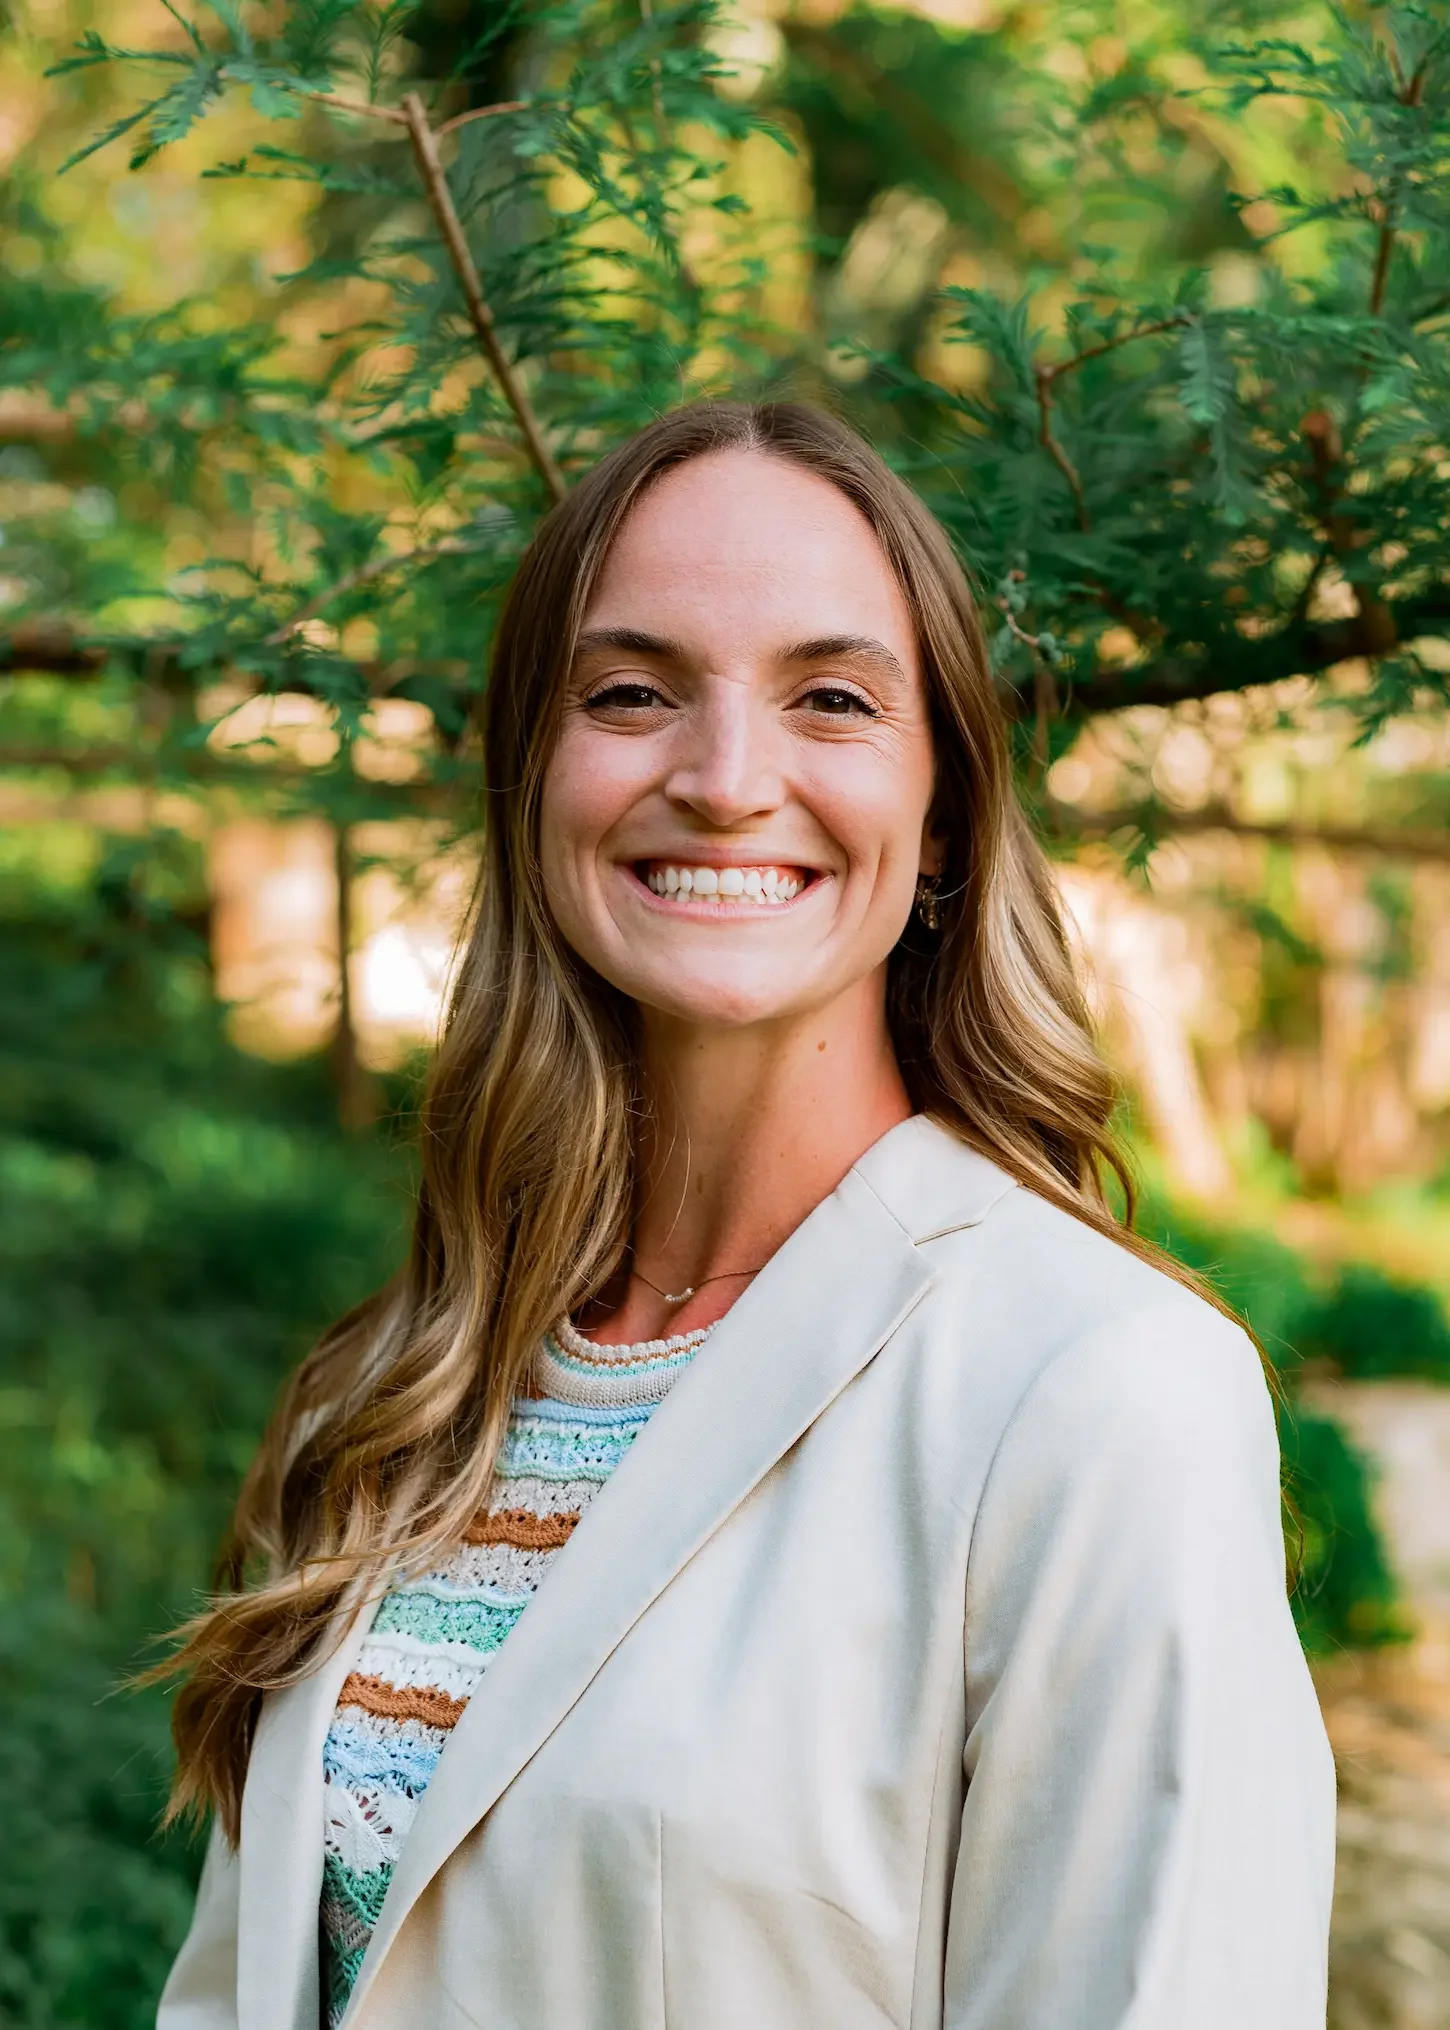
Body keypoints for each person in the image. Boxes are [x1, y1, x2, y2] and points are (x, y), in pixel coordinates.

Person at [156, 400, 1335, 2030]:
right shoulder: (410, 1387)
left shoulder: (1098, 1389)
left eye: (831, 699)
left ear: (939, 817)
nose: (721, 780)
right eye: (630, 692)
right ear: (533, 776)